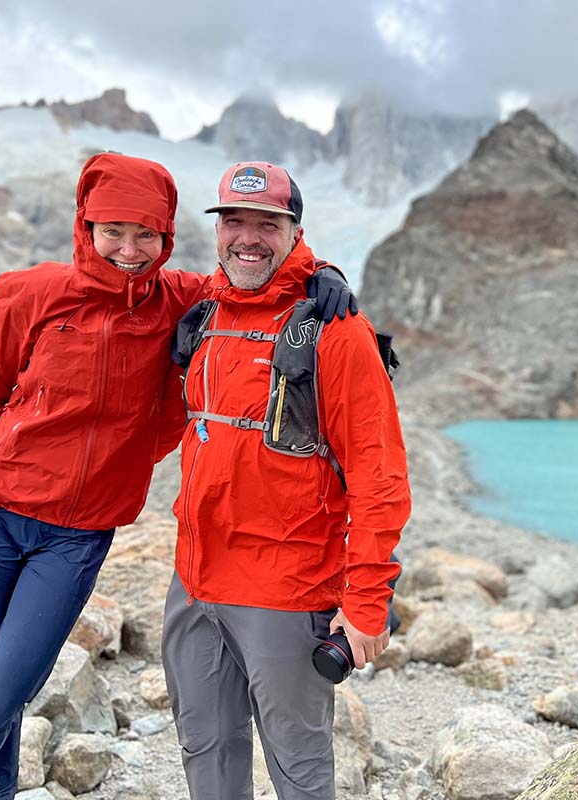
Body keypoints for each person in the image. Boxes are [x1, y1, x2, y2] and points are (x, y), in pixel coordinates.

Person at [0, 153, 354, 800]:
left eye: (145, 234)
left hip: (75, 535)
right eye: (112, 231)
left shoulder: (176, 299)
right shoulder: (27, 292)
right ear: (84, 228)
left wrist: (324, 273)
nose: (128, 249)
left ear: (166, 237)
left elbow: (253, 268)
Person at [161, 161, 411, 799]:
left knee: (299, 773)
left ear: (295, 230)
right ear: (216, 230)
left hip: (286, 590)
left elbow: (379, 478)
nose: (249, 237)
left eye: (267, 223)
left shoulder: (335, 330)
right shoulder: (205, 313)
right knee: (206, 753)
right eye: (234, 222)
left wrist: (365, 604)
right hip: (193, 585)